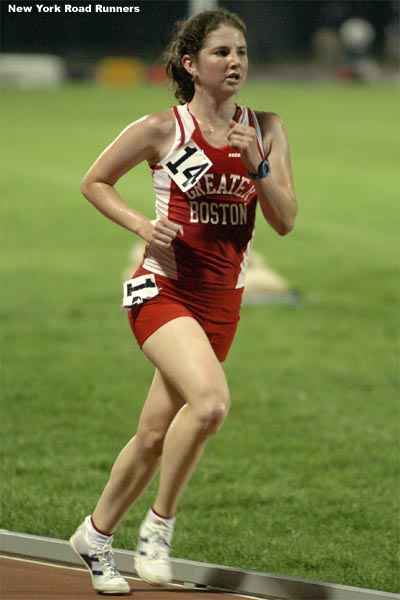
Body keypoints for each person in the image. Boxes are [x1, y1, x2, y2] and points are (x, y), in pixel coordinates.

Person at [70, 7, 297, 595]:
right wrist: (142, 227)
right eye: (222, 53)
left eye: (242, 53)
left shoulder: (265, 126)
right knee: (212, 403)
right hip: (163, 290)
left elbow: (285, 220)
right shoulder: (160, 127)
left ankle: (95, 536)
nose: (236, 63)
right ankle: (159, 526)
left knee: (153, 434)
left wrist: (258, 163)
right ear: (191, 64)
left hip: (224, 301)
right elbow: (94, 181)